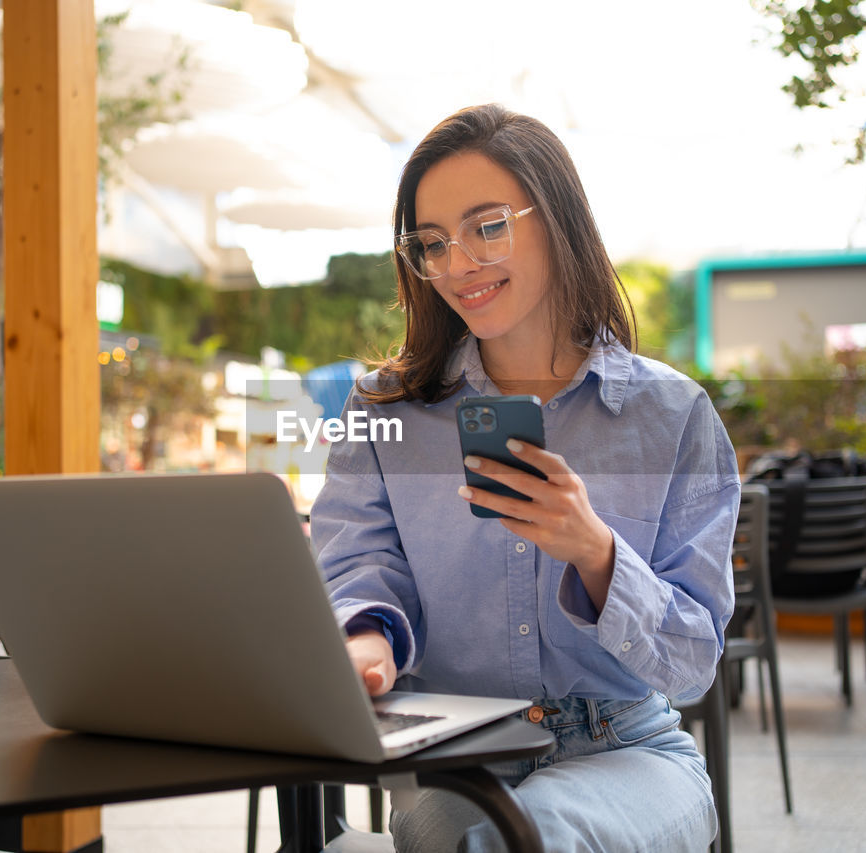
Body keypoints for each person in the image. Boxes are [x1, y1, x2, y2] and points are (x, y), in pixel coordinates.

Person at [310, 104, 739, 852]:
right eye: (431, 243)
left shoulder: (672, 415)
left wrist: (596, 551)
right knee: (473, 835)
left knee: (531, 835)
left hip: (630, 751)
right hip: (455, 755)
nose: (457, 264)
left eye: (487, 226)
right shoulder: (387, 412)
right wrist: (366, 640)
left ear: (558, 219)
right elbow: (360, 564)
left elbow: (695, 662)